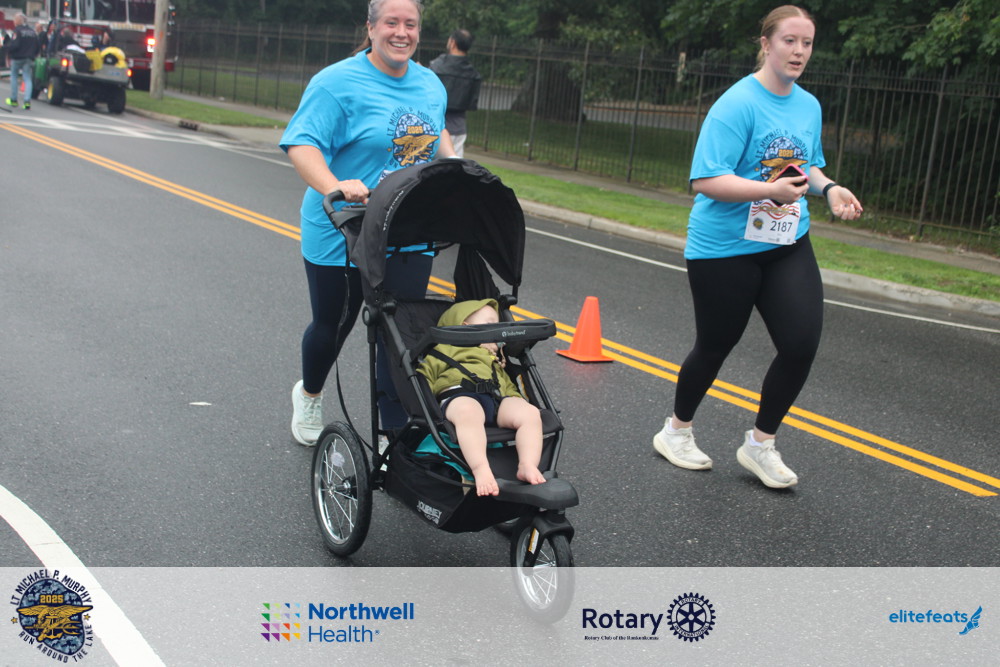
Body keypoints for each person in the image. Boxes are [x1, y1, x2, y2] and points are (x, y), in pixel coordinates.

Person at [652, 5, 863, 489]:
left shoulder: (808, 106)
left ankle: (760, 444)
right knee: (715, 346)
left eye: (807, 43)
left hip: (787, 241)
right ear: (766, 44)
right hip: (725, 248)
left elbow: (806, 166)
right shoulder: (737, 104)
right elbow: (706, 179)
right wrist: (769, 190)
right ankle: (676, 431)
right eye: (789, 41)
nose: (799, 51)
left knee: (801, 343)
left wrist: (829, 189)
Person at [280, 0, 455, 446]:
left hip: (406, 230)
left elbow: (435, 133)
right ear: (371, 28)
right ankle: (310, 394)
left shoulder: (430, 84)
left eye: (410, 24)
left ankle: (392, 431)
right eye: (391, 22)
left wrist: (454, 169)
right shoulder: (336, 83)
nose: (402, 32)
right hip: (343, 227)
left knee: (399, 332)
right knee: (332, 327)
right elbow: (302, 143)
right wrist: (335, 186)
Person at [418, 299, 546, 496]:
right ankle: (480, 469)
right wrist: (424, 399)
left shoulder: (495, 357)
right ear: (464, 328)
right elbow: (423, 376)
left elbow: (506, 383)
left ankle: (527, 464)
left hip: (496, 399)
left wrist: (515, 399)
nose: (496, 331)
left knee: (530, 414)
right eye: (489, 325)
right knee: (468, 412)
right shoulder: (444, 349)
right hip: (459, 395)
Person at [428, 29, 481, 158]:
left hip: (436, 126)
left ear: (452, 43)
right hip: (459, 128)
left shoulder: (437, 67)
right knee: (455, 166)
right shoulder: (473, 74)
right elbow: (472, 104)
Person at [5, 14, 40, 110]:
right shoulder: (32, 32)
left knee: (14, 76)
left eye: (14, 20)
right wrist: (34, 55)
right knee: (27, 78)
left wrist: (8, 50)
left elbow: (15, 45)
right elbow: (38, 46)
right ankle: (27, 101)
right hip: (29, 58)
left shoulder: (17, 31)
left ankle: (13, 99)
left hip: (17, 57)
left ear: (17, 21)